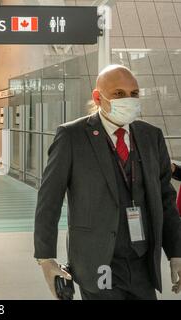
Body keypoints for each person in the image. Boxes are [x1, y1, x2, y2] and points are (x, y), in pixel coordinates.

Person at [34, 65, 181, 300]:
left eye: (134, 94)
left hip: (142, 262)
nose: (129, 100)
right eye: (119, 94)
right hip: (98, 260)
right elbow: (48, 201)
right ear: (97, 97)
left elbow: (166, 199)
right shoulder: (72, 136)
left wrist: (176, 251)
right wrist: (46, 259)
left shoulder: (151, 136)